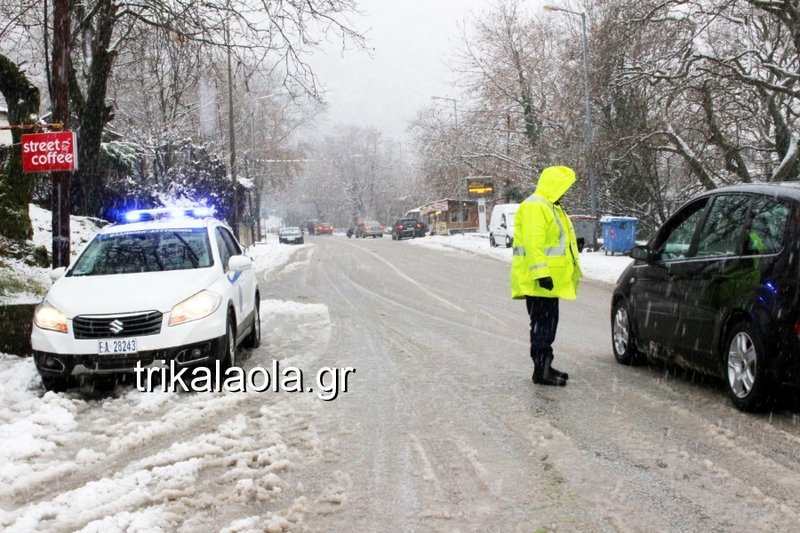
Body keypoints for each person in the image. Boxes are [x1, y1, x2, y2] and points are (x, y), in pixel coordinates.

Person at [510, 166, 582, 386]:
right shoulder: (536, 206)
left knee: (548, 325)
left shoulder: (551, 206)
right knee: (542, 325)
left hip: (549, 282)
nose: (565, 192)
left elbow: (554, 241)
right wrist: (541, 273)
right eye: (563, 187)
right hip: (539, 282)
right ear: (554, 185)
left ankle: (544, 366)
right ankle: (541, 370)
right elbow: (533, 243)